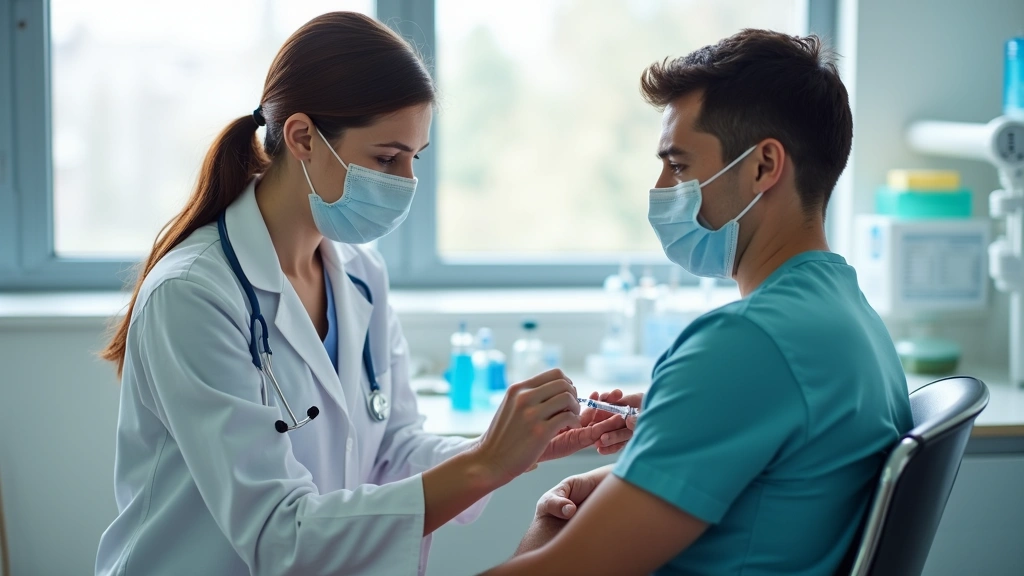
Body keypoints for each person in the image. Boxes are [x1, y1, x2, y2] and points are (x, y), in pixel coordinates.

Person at [95, 12, 630, 576]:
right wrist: (486, 462)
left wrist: (517, 448)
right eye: (385, 157)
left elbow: (394, 452)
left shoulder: (358, 273)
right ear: (303, 137)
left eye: (413, 159)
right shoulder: (194, 295)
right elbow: (280, 533)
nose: (405, 182)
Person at [484, 29, 914, 576]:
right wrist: (681, 422)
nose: (661, 188)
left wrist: (550, 521)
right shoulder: (848, 313)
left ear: (763, 166)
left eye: (680, 166)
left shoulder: (745, 343)